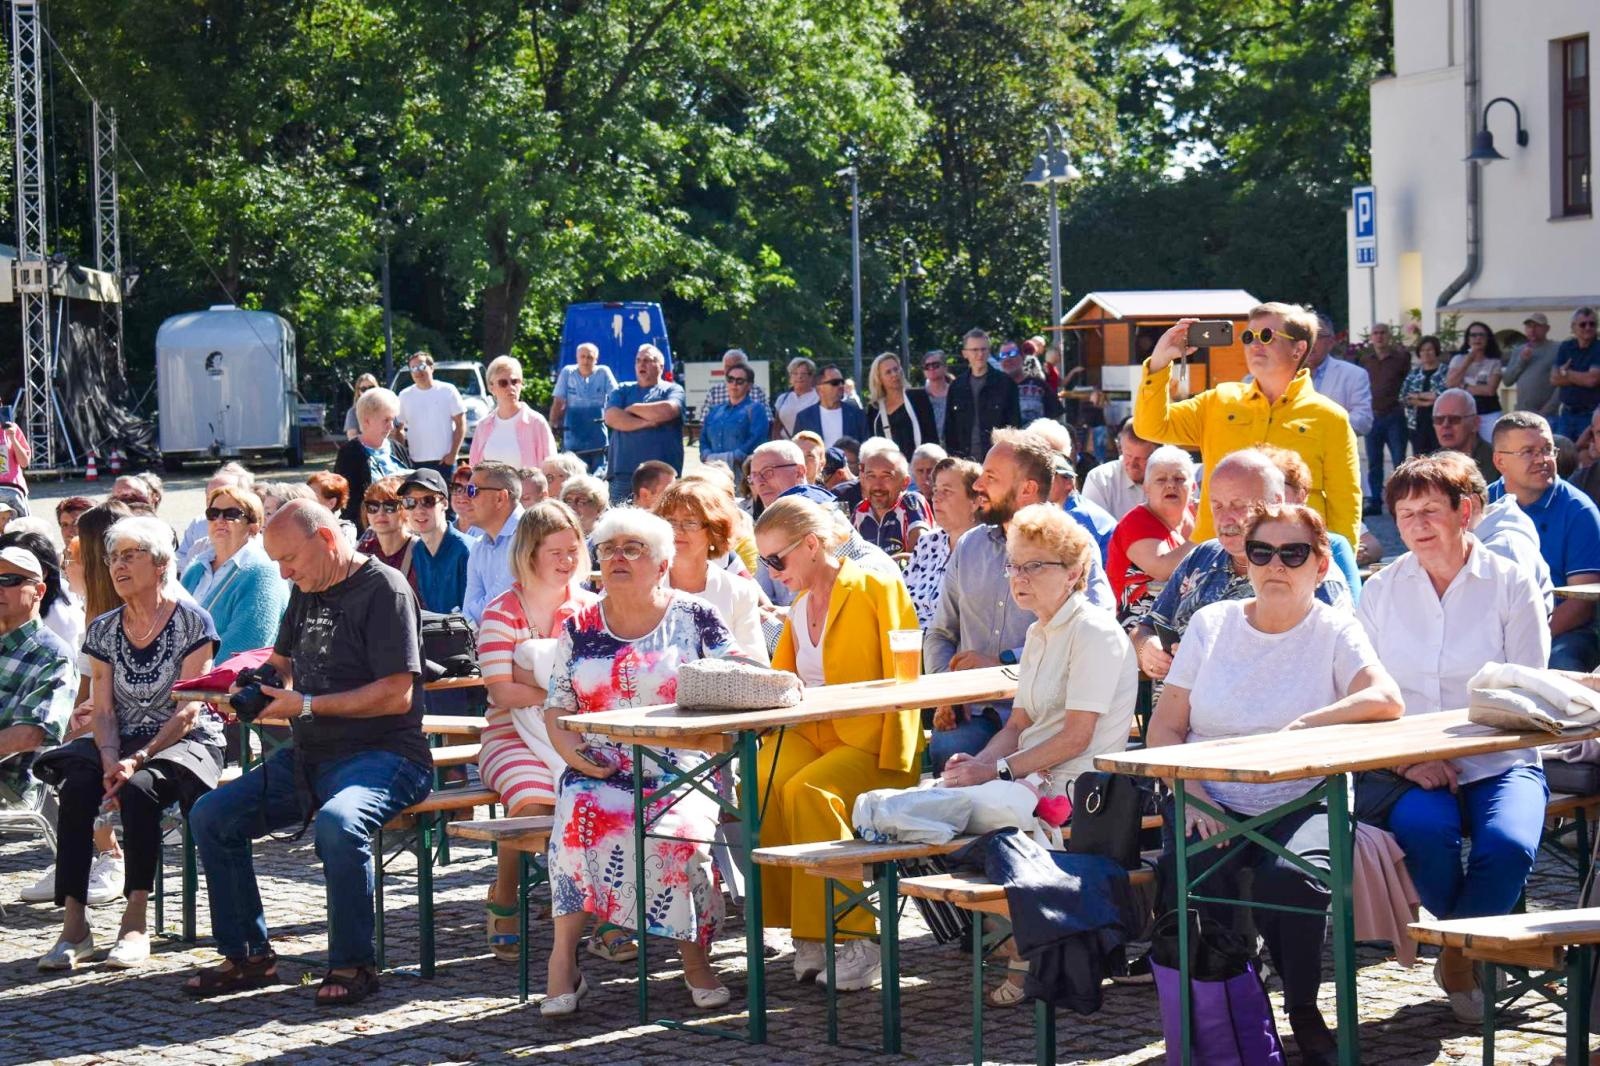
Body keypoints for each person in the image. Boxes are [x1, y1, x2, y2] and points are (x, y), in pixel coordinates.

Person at [1148, 503, 1402, 1064]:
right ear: (1247, 562)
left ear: (1319, 564)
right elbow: (1165, 726)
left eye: (1293, 553)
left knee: (1290, 881)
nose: (1276, 566)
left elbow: (1387, 699)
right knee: (1190, 875)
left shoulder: (1335, 628)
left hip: (1304, 797)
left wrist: (1309, 723)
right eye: (1262, 552)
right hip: (1207, 793)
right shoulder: (1211, 626)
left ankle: (1304, 1007)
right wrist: (1191, 791)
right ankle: (1227, 1006)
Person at [185, 501, 432, 1006]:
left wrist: (309, 704)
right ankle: (249, 955)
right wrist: (258, 688)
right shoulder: (305, 589)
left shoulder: (385, 589)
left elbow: (398, 693)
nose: (283, 572)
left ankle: (353, 963)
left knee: (340, 824)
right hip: (313, 755)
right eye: (275, 562)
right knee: (212, 814)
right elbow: (281, 665)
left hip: (386, 755)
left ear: (324, 537)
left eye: (289, 558)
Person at [1358, 456, 1550, 1024]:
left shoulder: (1510, 582)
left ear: (1465, 511)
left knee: (1509, 846)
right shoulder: (1382, 590)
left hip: (1501, 759)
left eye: (1431, 511)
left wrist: (1462, 751)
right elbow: (1366, 691)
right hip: (1410, 765)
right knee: (1426, 831)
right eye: (1405, 512)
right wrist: (1414, 760)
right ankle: (1469, 949)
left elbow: (1528, 689)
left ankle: (1456, 959)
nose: (1416, 525)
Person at [540, 507, 747, 1015]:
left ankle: (695, 960)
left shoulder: (695, 617)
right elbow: (557, 706)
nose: (617, 557)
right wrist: (577, 759)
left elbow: (740, 675)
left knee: (676, 835)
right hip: (600, 765)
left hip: (684, 766)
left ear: (661, 564)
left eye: (632, 549)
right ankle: (563, 960)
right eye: (609, 549)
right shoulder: (581, 625)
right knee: (578, 821)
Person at [940, 504, 1138, 1004]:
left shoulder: (1093, 631)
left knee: (950, 821)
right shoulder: (1036, 631)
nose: (1018, 577)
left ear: (1073, 574)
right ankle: (1016, 938)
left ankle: (1026, 946)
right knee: (939, 803)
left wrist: (997, 771)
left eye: (1034, 566)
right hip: (1030, 779)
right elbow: (1019, 723)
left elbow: (1077, 738)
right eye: (1014, 565)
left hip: (1080, 789)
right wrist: (978, 766)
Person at [755, 496, 923, 992]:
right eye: (764, 561)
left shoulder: (875, 583)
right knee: (765, 778)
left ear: (811, 545)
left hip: (871, 738)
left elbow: (906, 667)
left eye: (776, 560)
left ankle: (858, 939)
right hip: (813, 731)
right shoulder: (800, 604)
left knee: (810, 790)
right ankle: (807, 932)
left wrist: (901, 752)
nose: (771, 571)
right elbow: (785, 681)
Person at [41, 516, 224, 972]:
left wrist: (135, 758)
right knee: (79, 787)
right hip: (117, 737)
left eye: (130, 555)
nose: (117, 566)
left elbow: (189, 709)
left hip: (182, 739)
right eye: (113, 558)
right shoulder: (103, 629)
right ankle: (74, 926)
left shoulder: (192, 623)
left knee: (141, 788)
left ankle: (135, 921)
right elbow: (101, 709)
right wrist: (108, 757)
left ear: (161, 564)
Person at [926, 429, 1113, 770]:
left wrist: (1006, 662)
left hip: (1045, 714)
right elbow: (940, 633)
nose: (978, 485)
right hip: (974, 710)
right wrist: (948, 693)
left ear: (1027, 489)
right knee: (948, 750)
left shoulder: (1071, 545)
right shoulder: (970, 545)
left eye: (991, 478)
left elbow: (1095, 628)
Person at [475, 501, 599, 961]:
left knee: (602, 796)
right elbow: (502, 693)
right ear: (530, 553)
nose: (568, 560)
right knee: (532, 799)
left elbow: (601, 683)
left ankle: (604, 910)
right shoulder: (501, 610)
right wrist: (556, 691)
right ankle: (506, 894)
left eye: (573, 550)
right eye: (556, 552)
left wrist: (539, 685)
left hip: (574, 731)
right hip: (508, 734)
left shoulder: (590, 607)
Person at [1135, 304, 1361, 543]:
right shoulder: (1218, 400)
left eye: (1266, 336)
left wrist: (1341, 562)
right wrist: (1160, 362)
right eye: (1248, 337)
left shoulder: (1330, 417)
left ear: (1299, 348)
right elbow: (1151, 427)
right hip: (1219, 552)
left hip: (1293, 556)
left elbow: (1345, 502)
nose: (1254, 345)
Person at [1130, 450, 1352, 683]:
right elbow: (1145, 627)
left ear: (1276, 503)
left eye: (1238, 506)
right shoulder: (1202, 556)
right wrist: (1147, 648)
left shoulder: (1308, 572)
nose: (1226, 519)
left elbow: (1335, 666)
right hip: (1173, 713)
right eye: (1217, 506)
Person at [1486, 411, 1600, 670]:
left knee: (1562, 668)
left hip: (1560, 631)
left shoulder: (1578, 511)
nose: (1543, 460)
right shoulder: (1481, 506)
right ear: (1500, 461)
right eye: (1528, 451)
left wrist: (1525, 642)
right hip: (1488, 630)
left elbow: (1581, 603)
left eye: (1548, 449)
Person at [0, 547, 76, 904]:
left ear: (39, 591)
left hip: (13, 779)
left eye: (10, 581)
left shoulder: (52, 653)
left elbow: (34, 733)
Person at [657, 479, 768, 663]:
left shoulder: (739, 592)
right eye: (670, 521)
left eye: (690, 522)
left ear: (715, 530)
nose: (677, 530)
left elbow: (756, 667)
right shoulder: (640, 586)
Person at [179, 486, 290, 662]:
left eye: (231, 514)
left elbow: (248, 642)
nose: (220, 520)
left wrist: (190, 677)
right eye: (213, 513)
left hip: (225, 683)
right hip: (181, 678)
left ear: (254, 526)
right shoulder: (195, 569)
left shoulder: (263, 572)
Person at [1257, 444, 1365, 597]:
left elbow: (1352, 607)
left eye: (1274, 486)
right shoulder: (1226, 548)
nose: (1263, 497)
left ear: (1300, 495)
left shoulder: (1332, 545)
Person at [1106, 444, 1197, 626]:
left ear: (1193, 486)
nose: (1171, 484)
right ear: (1146, 488)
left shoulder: (1200, 515)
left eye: (1179, 479)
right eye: (1161, 480)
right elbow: (1162, 569)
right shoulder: (1135, 522)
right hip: (1136, 633)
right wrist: (1206, 535)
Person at [904, 456, 982, 627]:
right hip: (910, 643)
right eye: (935, 490)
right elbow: (902, 600)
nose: (936, 498)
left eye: (946, 491)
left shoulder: (988, 549)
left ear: (975, 501)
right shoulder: (927, 543)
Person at [602, 344, 685, 503]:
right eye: (638, 360)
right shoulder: (622, 389)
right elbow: (612, 418)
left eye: (647, 360)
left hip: (662, 477)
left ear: (660, 366)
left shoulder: (672, 390)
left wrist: (633, 408)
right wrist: (647, 422)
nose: (641, 364)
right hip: (623, 475)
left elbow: (668, 410)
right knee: (621, 524)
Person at [333, 386, 412, 527]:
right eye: (386, 420)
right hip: (369, 529)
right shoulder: (350, 453)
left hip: (404, 528)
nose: (391, 426)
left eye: (393, 420)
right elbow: (347, 502)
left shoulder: (397, 448)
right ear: (366, 421)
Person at [400, 469, 472, 613]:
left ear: (445, 503)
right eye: (410, 502)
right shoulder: (418, 550)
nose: (419, 510)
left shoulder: (467, 549)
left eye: (428, 501)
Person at [943, 328, 1021, 460]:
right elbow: (950, 429)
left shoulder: (1006, 384)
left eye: (983, 349)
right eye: (974, 350)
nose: (979, 354)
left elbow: (1014, 426)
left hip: (997, 458)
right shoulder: (956, 387)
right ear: (965, 353)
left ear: (989, 351)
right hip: (963, 460)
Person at [463, 461, 525, 625]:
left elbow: (500, 604)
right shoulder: (478, 546)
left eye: (472, 491)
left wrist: (468, 621)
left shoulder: (529, 536)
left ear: (500, 498)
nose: (465, 498)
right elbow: (468, 610)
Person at [1358, 321, 1412, 510]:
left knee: (1399, 461)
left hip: (1394, 416)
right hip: (1373, 416)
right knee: (1374, 462)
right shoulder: (1365, 360)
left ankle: (1401, 500)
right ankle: (1375, 501)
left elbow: (1409, 382)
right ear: (1371, 337)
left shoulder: (1401, 359)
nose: (1379, 336)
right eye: (1376, 333)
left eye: (1383, 332)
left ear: (1389, 336)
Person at [469, 355, 557, 470]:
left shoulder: (536, 423)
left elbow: (552, 468)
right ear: (491, 387)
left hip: (526, 488)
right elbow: (473, 470)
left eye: (515, 381)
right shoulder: (483, 426)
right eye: (503, 383)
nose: (511, 387)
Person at [852, 437, 933, 555]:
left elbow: (919, 556)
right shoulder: (860, 511)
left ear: (905, 483)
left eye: (886, 476)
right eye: (871, 476)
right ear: (863, 480)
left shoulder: (911, 502)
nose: (877, 485)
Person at [395, 351, 466, 481]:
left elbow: (461, 425)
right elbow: (398, 428)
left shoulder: (448, 390)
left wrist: (452, 454)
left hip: (444, 462)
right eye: (413, 368)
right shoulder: (404, 395)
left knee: (446, 500)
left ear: (431, 368)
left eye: (421, 366)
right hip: (415, 462)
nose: (418, 371)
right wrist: (403, 456)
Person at [550, 343, 618, 472]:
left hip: (597, 436)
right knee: (572, 472)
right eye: (583, 357)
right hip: (573, 436)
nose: (586, 360)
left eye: (590, 357)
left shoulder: (603, 372)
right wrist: (553, 423)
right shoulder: (568, 372)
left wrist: (616, 417)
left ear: (596, 360)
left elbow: (615, 396)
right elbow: (558, 401)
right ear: (577, 358)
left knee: (599, 474)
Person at [177, 463, 254, 571]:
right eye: (209, 497)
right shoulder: (198, 524)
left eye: (222, 496)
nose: (213, 503)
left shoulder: (254, 529)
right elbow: (179, 559)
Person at [355, 477, 421, 601]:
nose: (380, 513)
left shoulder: (420, 552)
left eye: (390, 506)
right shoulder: (363, 550)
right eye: (373, 507)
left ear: (406, 510)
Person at [1305, 314, 1373, 435]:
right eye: (1304, 335)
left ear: (1331, 342)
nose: (1309, 341)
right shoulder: (1282, 373)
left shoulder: (1354, 375)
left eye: (1317, 336)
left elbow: (1364, 421)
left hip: (1332, 449)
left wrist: (1324, 423)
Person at [866, 352, 939, 461]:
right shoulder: (874, 409)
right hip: (889, 470)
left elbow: (931, 435)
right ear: (879, 378)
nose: (894, 374)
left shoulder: (918, 397)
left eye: (896, 369)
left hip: (920, 466)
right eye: (888, 372)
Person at [699, 362, 771, 473]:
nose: (734, 384)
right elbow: (703, 437)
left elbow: (757, 438)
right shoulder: (714, 411)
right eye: (730, 379)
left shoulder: (756, 409)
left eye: (740, 381)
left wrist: (734, 457)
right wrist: (706, 455)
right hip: (713, 471)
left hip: (743, 472)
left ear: (749, 385)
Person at [1081, 419, 1156, 520]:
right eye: (1128, 456)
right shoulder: (1100, 479)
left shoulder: (1169, 479)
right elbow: (1093, 528)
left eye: (1141, 459)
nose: (1133, 464)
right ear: (1120, 448)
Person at [1445, 321, 1504, 442]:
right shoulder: (1458, 359)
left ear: (1488, 339)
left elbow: (1490, 390)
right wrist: (1467, 362)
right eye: (1473, 335)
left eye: (1482, 335)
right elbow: (1450, 383)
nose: (1478, 338)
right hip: (1462, 413)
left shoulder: (1494, 362)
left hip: (1488, 412)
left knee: (1491, 447)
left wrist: (1463, 386)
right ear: (1467, 339)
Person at [1552, 307, 1600, 442]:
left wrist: (1565, 373)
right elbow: (1554, 379)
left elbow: (1592, 380)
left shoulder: (1599, 348)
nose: (1588, 327)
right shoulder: (1566, 347)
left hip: (1591, 415)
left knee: (1587, 457)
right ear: (1573, 327)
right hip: (1566, 414)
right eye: (1583, 324)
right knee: (1562, 456)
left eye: (1592, 324)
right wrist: (1580, 377)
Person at [1430, 387, 1497, 482]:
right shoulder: (1431, 466)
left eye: (1454, 419)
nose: (1445, 425)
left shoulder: (1497, 462)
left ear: (1475, 423)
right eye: (1439, 420)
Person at [793, 363, 868, 447]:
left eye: (842, 382)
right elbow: (797, 449)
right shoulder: (804, 417)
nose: (841, 386)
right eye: (835, 383)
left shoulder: (857, 415)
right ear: (820, 388)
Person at [1501, 312, 1562, 415]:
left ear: (1547, 328)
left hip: (1547, 414)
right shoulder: (1518, 351)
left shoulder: (1557, 349)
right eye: (1529, 326)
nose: (1532, 330)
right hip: (1522, 412)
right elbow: (1507, 381)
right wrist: (1522, 361)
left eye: (1537, 326)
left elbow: (1561, 384)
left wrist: (1547, 409)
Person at [1401, 335, 1451, 456]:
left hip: (1440, 423)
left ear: (1436, 351)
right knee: (1420, 460)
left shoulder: (1446, 371)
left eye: (1429, 349)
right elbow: (1404, 396)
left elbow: (1442, 396)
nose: (1426, 353)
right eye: (1423, 350)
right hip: (1417, 424)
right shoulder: (1414, 373)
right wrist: (1427, 401)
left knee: (1440, 458)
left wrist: (1417, 396)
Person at [1002, 342, 1061, 424]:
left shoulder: (1040, 386)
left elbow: (1056, 418)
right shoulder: (994, 388)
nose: (1007, 359)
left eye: (1012, 354)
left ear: (1022, 357)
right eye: (1003, 355)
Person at [701, 348, 770, 412]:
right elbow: (704, 421)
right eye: (728, 367)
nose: (732, 371)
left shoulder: (757, 391)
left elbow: (768, 420)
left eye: (737, 366)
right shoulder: (714, 392)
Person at [773, 357, 820, 438]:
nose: (799, 377)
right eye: (795, 373)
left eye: (803, 374)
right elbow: (776, 427)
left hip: (810, 444)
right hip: (786, 445)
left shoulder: (819, 397)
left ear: (811, 376)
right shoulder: (782, 399)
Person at [306, 471, 357, 544]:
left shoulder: (344, 529)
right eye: (306, 492)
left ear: (331, 503)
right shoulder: (299, 524)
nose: (305, 499)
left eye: (313, 496)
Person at [920, 350, 953, 439]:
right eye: (927, 366)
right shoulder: (918, 396)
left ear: (945, 367)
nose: (931, 368)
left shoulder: (955, 393)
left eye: (935, 365)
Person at [343, 373, 379, 439]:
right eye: (363, 389)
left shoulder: (386, 409)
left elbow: (394, 433)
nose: (368, 391)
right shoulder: (353, 412)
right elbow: (352, 437)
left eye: (371, 387)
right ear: (358, 392)